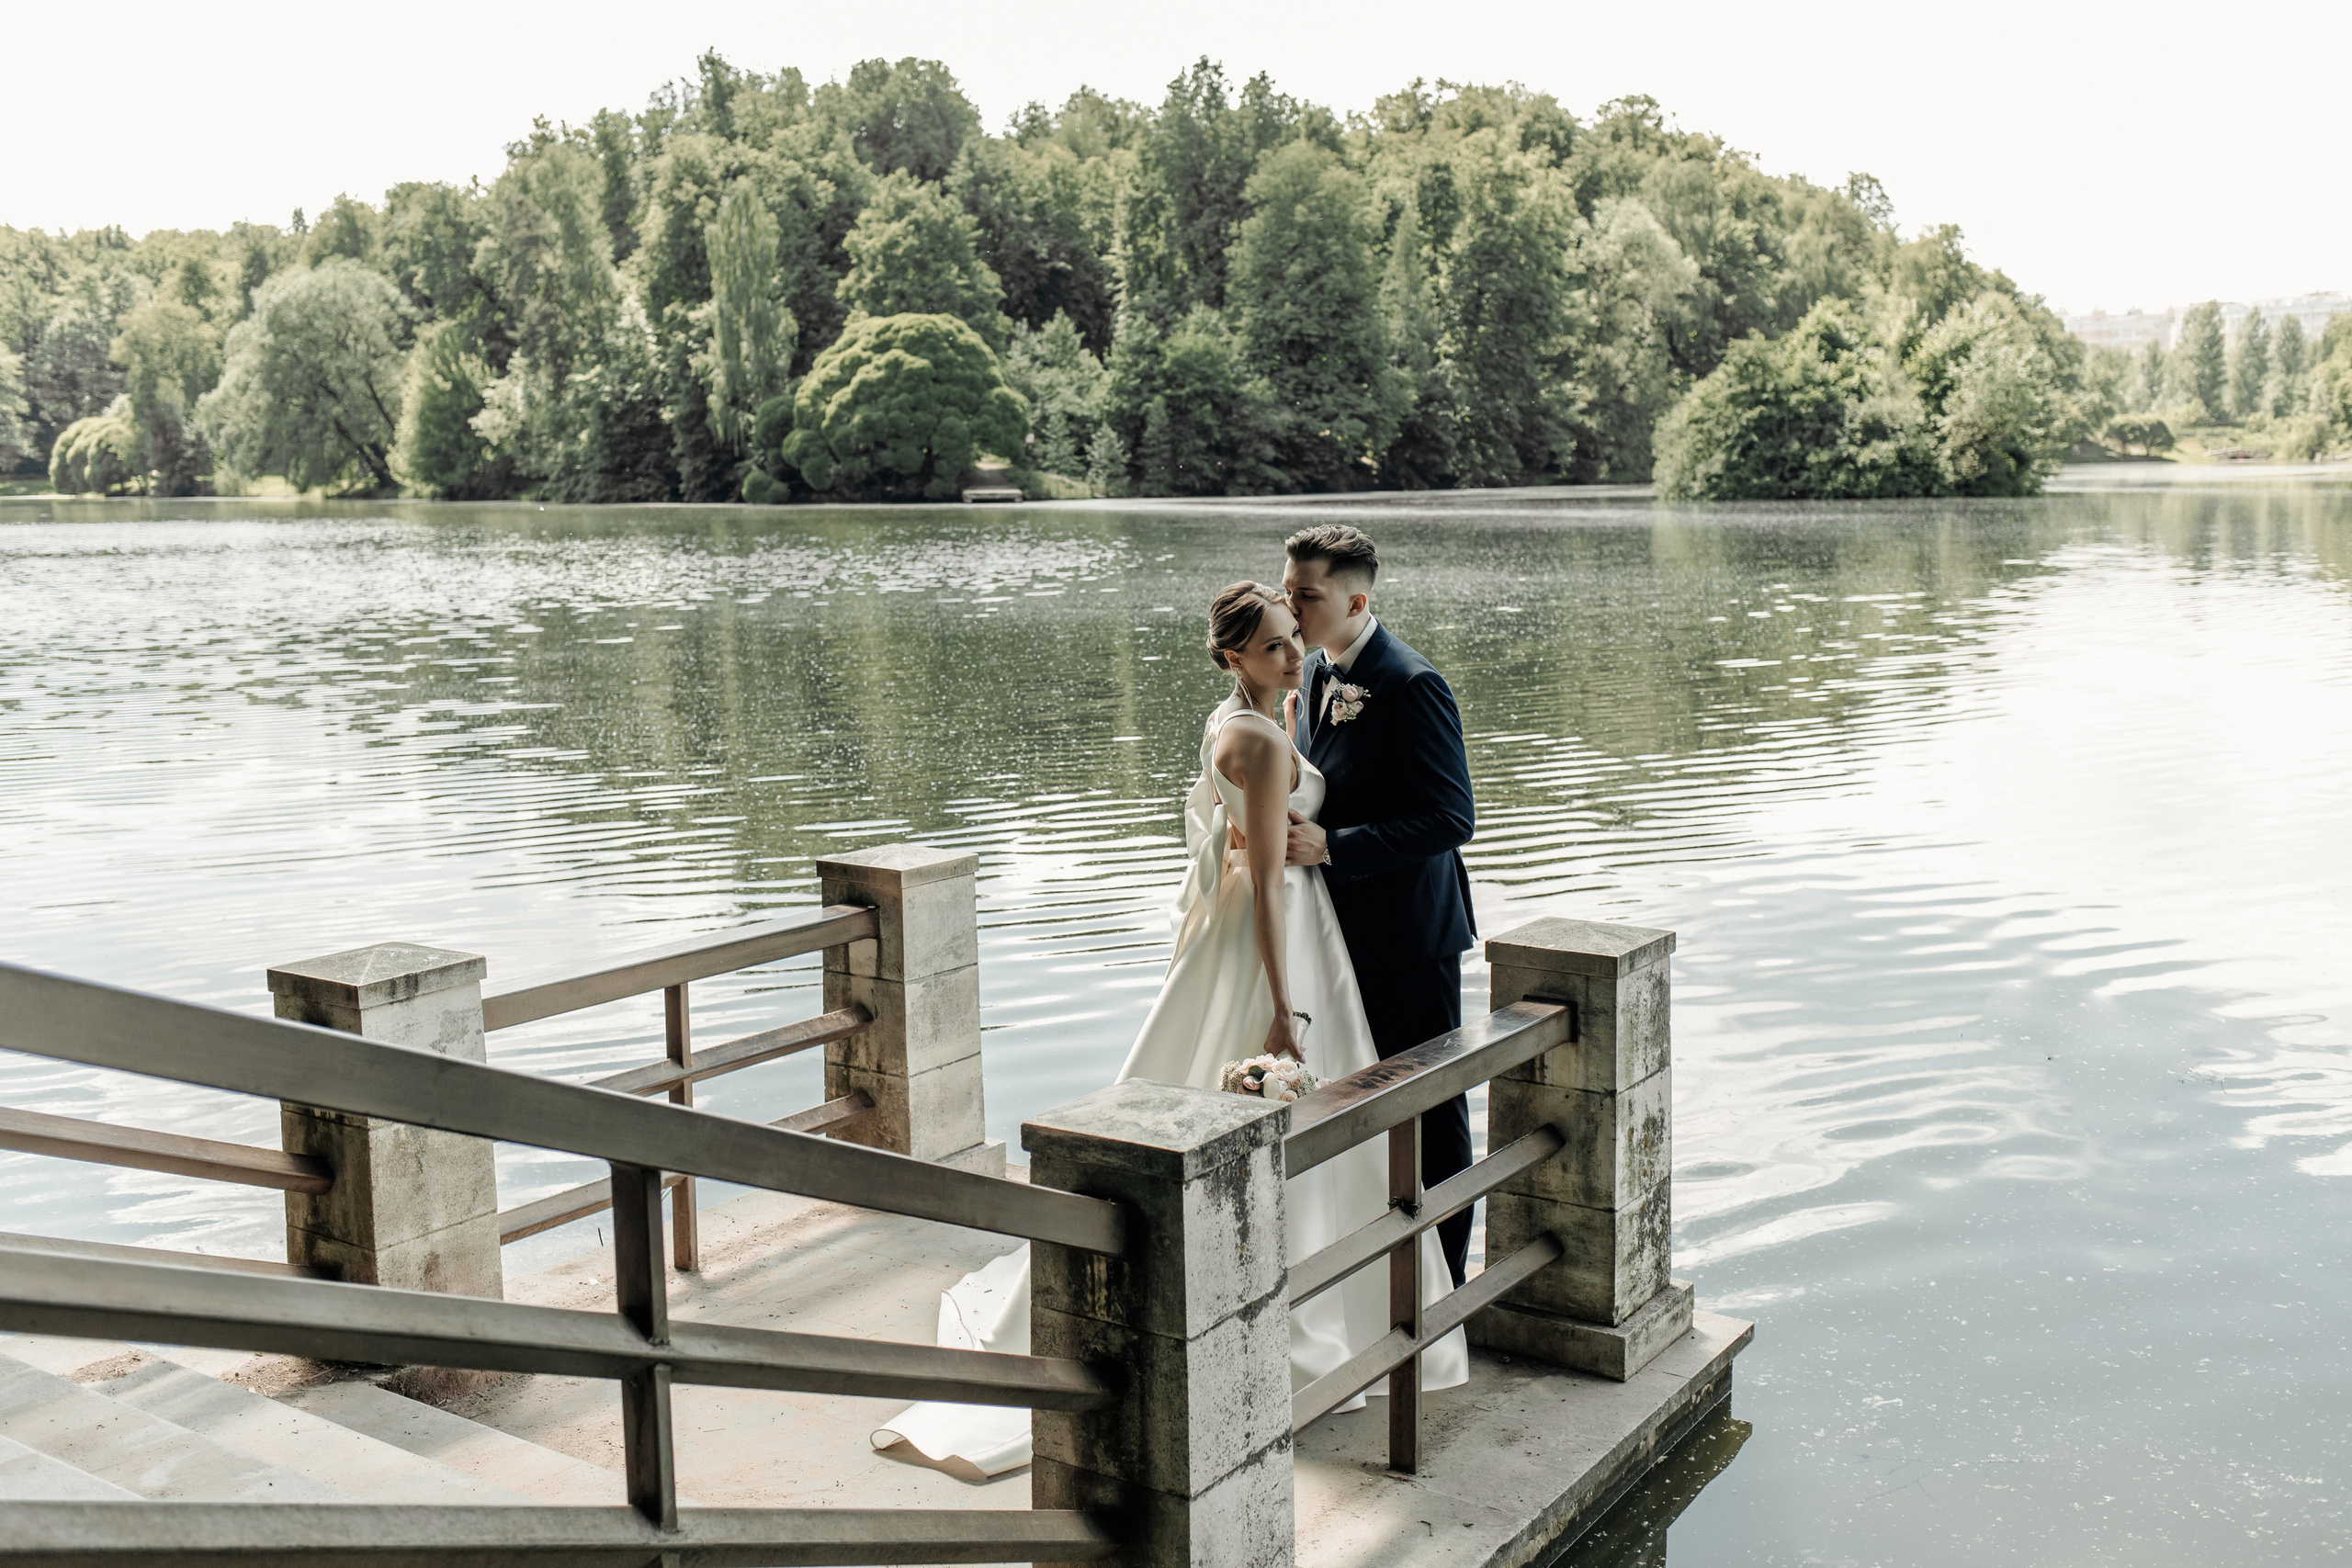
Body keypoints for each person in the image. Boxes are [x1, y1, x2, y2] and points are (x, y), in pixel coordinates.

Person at [873, 579, 1466, 1479]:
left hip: (1280, 928)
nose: (1291, 655)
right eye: (1271, 645)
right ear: (1232, 655)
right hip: (1278, 940)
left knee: (1218, 1092)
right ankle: (1297, 1309)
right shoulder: (1257, 740)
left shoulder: (1239, 716)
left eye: (1291, 638)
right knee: (1266, 1104)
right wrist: (1281, 1006)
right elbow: (1263, 881)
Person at [1279, 524, 1479, 1285]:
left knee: (1431, 1110)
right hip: (1339, 933)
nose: (1290, 608)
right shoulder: (1313, 672)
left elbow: (1451, 818)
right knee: (1359, 1100)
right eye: (1287, 590)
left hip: (1410, 938)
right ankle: (1378, 1277)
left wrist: (1333, 846)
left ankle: (1445, 1287)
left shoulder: (1411, 682)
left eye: (1306, 595)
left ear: (1356, 601)